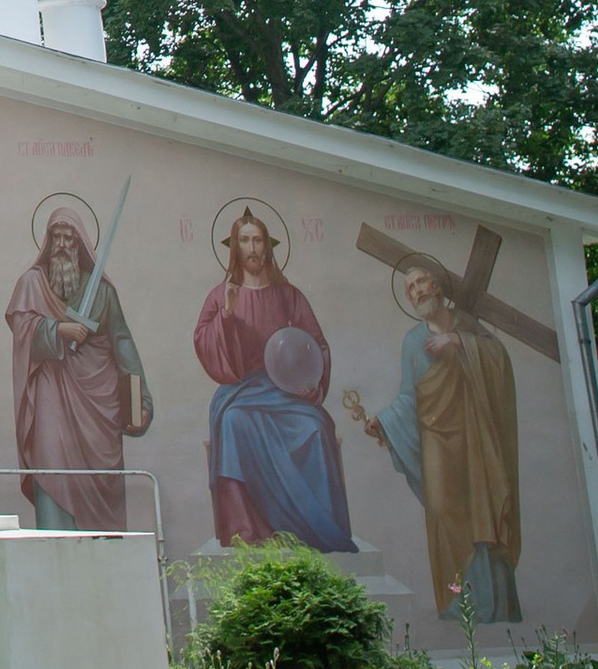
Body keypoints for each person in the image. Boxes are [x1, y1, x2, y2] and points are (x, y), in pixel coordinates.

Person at [344, 261, 522, 622]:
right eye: (411, 288)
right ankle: (459, 602)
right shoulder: (413, 342)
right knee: (441, 511)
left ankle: (495, 602)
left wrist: (459, 341)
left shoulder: (465, 325)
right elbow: (410, 396)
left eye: (422, 282)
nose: (417, 291)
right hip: (436, 439)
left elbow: (499, 360)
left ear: (438, 287)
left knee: (483, 508)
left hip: (474, 433)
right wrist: (384, 422)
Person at [193, 207, 354, 550]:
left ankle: (311, 528)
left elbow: (316, 344)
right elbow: (205, 343)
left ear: (268, 246)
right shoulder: (220, 295)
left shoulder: (288, 295)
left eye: (258, 240)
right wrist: (227, 315)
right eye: (244, 241)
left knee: (317, 427)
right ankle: (249, 531)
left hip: (286, 392)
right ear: (234, 247)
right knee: (233, 423)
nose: (252, 249)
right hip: (241, 390)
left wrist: (311, 381)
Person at [7, 206, 152, 528]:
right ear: (47, 241)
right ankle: (54, 536)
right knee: (50, 458)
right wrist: (57, 330)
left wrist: (141, 400)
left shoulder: (101, 290)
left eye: (68, 238)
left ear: (80, 244)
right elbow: (22, 329)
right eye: (56, 237)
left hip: (98, 399)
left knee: (99, 474)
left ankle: (104, 541)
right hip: (50, 387)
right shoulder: (32, 283)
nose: (61, 245)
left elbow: (122, 342)